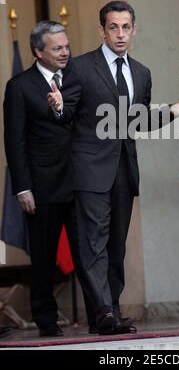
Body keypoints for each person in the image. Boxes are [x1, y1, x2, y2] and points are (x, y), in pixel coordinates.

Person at [48, 0, 179, 335]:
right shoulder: (81, 67)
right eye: (113, 27)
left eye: (125, 27)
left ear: (134, 29)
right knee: (94, 243)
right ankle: (102, 311)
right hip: (89, 169)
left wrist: (173, 109)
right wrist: (59, 106)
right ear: (102, 30)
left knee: (116, 245)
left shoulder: (141, 73)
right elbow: (68, 110)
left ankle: (111, 310)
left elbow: (137, 121)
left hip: (124, 170)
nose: (120, 34)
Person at [3, 21, 77, 337]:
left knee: (88, 252)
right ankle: (46, 320)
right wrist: (22, 187)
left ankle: (103, 313)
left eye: (66, 46)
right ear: (38, 51)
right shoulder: (20, 86)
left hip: (80, 182)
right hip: (42, 187)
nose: (65, 52)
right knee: (44, 257)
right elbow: (15, 141)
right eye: (57, 48)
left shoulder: (77, 78)